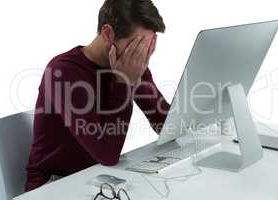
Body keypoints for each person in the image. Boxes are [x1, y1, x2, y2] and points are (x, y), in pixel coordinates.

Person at [25, 0, 170, 192]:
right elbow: (107, 154)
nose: (142, 54)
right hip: (53, 185)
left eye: (149, 44)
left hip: (96, 177)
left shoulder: (130, 64)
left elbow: (165, 124)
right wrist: (124, 81)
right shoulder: (63, 71)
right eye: (137, 45)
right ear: (108, 33)